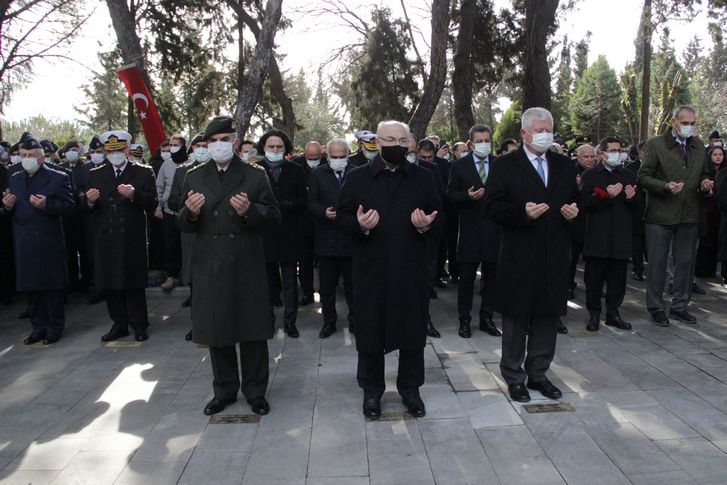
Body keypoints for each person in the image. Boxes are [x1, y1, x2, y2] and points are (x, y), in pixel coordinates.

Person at [336, 120, 442, 419]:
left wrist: (426, 226)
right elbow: (342, 219)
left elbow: (439, 217)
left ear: (409, 142)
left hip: (411, 268)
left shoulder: (423, 177)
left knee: (411, 331)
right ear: (376, 142)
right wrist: (359, 226)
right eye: (388, 139)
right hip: (371, 268)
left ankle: (411, 390)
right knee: (370, 330)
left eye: (401, 139)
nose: (395, 145)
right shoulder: (357, 178)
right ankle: (372, 391)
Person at [177, 116, 281, 416]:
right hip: (210, 263)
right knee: (216, 329)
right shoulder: (194, 176)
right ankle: (223, 390)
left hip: (246, 262)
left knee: (252, 330)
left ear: (235, 142)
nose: (219, 145)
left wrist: (250, 212)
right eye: (213, 141)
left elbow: (274, 217)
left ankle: (255, 391)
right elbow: (181, 223)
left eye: (225, 139)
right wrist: (191, 213)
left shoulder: (254, 174)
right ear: (206, 145)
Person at [483, 107, 579, 403]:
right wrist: (520, 212)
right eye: (538, 130)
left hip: (554, 253)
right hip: (519, 254)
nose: (544, 135)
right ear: (524, 133)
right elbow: (491, 207)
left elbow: (575, 202)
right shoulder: (504, 165)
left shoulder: (564, 165)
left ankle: (538, 373)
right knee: (516, 317)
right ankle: (514, 376)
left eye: (548, 129)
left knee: (547, 316)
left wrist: (575, 212)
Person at [637, 105, 712, 327]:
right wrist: (665, 186)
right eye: (684, 123)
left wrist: (706, 183)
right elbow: (642, 177)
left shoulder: (698, 146)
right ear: (674, 123)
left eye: (692, 123)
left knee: (686, 263)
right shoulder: (656, 144)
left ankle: (680, 305)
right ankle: (656, 307)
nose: (688, 127)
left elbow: (705, 173)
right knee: (658, 263)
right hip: (660, 215)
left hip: (689, 213)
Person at [85, 130, 157, 342]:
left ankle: (139, 324)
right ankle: (119, 323)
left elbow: (152, 202)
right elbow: (87, 207)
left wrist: (135, 195)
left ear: (126, 150)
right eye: (109, 151)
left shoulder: (143, 172)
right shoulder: (96, 173)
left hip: (131, 236)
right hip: (106, 236)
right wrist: (89, 201)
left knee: (133, 281)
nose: (114, 155)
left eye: (118, 151)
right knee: (110, 282)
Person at [2, 137, 75, 344]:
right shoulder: (14, 177)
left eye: (31, 156)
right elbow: (12, 207)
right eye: (23, 156)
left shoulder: (58, 177)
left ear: (42, 158)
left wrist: (47, 205)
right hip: (23, 239)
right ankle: (38, 326)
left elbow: (70, 206)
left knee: (51, 285)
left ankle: (54, 326)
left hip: (48, 239)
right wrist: (7, 206)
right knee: (31, 286)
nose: (26, 159)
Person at [446, 124, 503, 339]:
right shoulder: (459, 166)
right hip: (469, 232)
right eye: (479, 141)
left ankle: (486, 318)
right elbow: (450, 196)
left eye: (487, 141)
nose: (483, 145)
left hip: (495, 232)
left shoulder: (500, 165)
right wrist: (467, 197)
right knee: (467, 280)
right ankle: (464, 320)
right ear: (470, 144)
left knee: (491, 279)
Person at [580, 137, 638, 331]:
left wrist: (632, 199)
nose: (617, 154)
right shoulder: (591, 175)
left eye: (619, 150)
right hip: (598, 235)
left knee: (618, 278)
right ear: (602, 153)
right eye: (612, 150)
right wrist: (606, 196)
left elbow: (638, 206)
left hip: (620, 235)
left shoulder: (628, 175)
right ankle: (594, 314)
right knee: (594, 279)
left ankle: (613, 312)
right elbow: (584, 203)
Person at [259, 130, 307, 338]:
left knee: (290, 283)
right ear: (264, 148)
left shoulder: (296, 170)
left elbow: (304, 198)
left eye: (279, 146)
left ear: (285, 148)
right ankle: (267, 321)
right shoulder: (255, 170)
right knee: (267, 283)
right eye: (271, 147)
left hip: (290, 233)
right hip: (264, 234)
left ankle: (290, 322)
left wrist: (287, 205)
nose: (275, 150)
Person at [307, 138, 354, 338]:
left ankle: (356, 321)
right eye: (334, 157)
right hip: (326, 240)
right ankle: (329, 321)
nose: (338, 160)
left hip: (351, 240)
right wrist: (322, 212)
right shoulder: (318, 174)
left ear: (348, 154)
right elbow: (311, 202)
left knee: (354, 287)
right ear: (327, 156)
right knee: (326, 288)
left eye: (342, 156)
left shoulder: (357, 172)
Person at [168, 133, 209, 340]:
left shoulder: (221, 169)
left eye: (205, 145)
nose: (202, 148)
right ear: (191, 148)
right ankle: (198, 324)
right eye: (198, 145)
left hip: (216, 233)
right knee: (195, 281)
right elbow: (172, 200)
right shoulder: (182, 171)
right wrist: (189, 204)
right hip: (192, 232)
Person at [76, 135, 106, 305]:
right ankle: (97, 286)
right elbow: (78, 187)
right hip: (89, 217)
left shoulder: (109, 167)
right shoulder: (84, 169)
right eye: (93, 152)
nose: (96, 154)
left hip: (106, 214)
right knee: (92, 253)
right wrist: (82, 195)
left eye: (99, 151)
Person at [291, 141, 322, 306]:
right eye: (310, 158)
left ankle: (324, 291)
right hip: (303, 223)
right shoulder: (296, 167)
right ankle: (307, 292)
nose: (313, 161)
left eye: (316, 158)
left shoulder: (327, 165)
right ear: (304, 154)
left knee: (325, 262)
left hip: (324, 222)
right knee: (305, 262)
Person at [156, 135, 187, 291]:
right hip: (169, 211)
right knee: (170, 245)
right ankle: (171, 276)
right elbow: (159, 188)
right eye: (171, 144)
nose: (173, 147)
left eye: (176, 145)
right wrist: (158, 208)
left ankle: (186, 275)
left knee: (186, 245)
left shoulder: (190, 164)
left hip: (187, 211)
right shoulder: (166, 165)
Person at [59, 140, 90, 293]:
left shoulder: (84, 168)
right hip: (67, 217)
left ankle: (86, 282)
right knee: (69, 251)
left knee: (84, 250)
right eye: (70, 149)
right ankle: (71, 282)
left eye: (76, 149)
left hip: (82, 215)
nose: (73, 152)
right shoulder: (60, 169)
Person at [568, 140, 596, 300]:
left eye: (592, 156)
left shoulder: (598, 171)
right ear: (578, 158)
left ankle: (593, 286)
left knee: (592, 259)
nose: (590, 159)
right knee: (572, 258)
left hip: (594, 222)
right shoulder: (571, 172)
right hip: (576, 222)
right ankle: (569, 285)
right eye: (586, 156)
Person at [695, 145, 725, 278]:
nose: (718, 157)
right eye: (715, 154)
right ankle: (701, 270)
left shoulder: (724, 172)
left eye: (720, 154)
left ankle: (711, 271)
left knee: (716, 241)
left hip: (720, 213)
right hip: (706, 210)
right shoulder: (706, 172)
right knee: (704, 241)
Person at [625, 142, 648, 281]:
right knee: (637, 243)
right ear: (640, 153)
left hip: (653, 209)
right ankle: (638, 269)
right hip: (637, 209)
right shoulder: (631, 169)